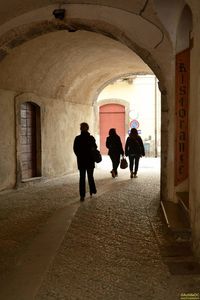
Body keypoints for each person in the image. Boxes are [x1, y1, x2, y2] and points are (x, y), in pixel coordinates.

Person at [73, 122, 97, 201]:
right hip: (89, 160)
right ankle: (92, 190)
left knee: (82, 178)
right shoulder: (91, 138)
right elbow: (95, 148)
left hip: (82, 161)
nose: (82, 128)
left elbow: (75, 149)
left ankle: (82, 195)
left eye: (82, 127)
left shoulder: (77, 138)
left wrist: (79, 156)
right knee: (90, 176)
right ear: (88, 128)